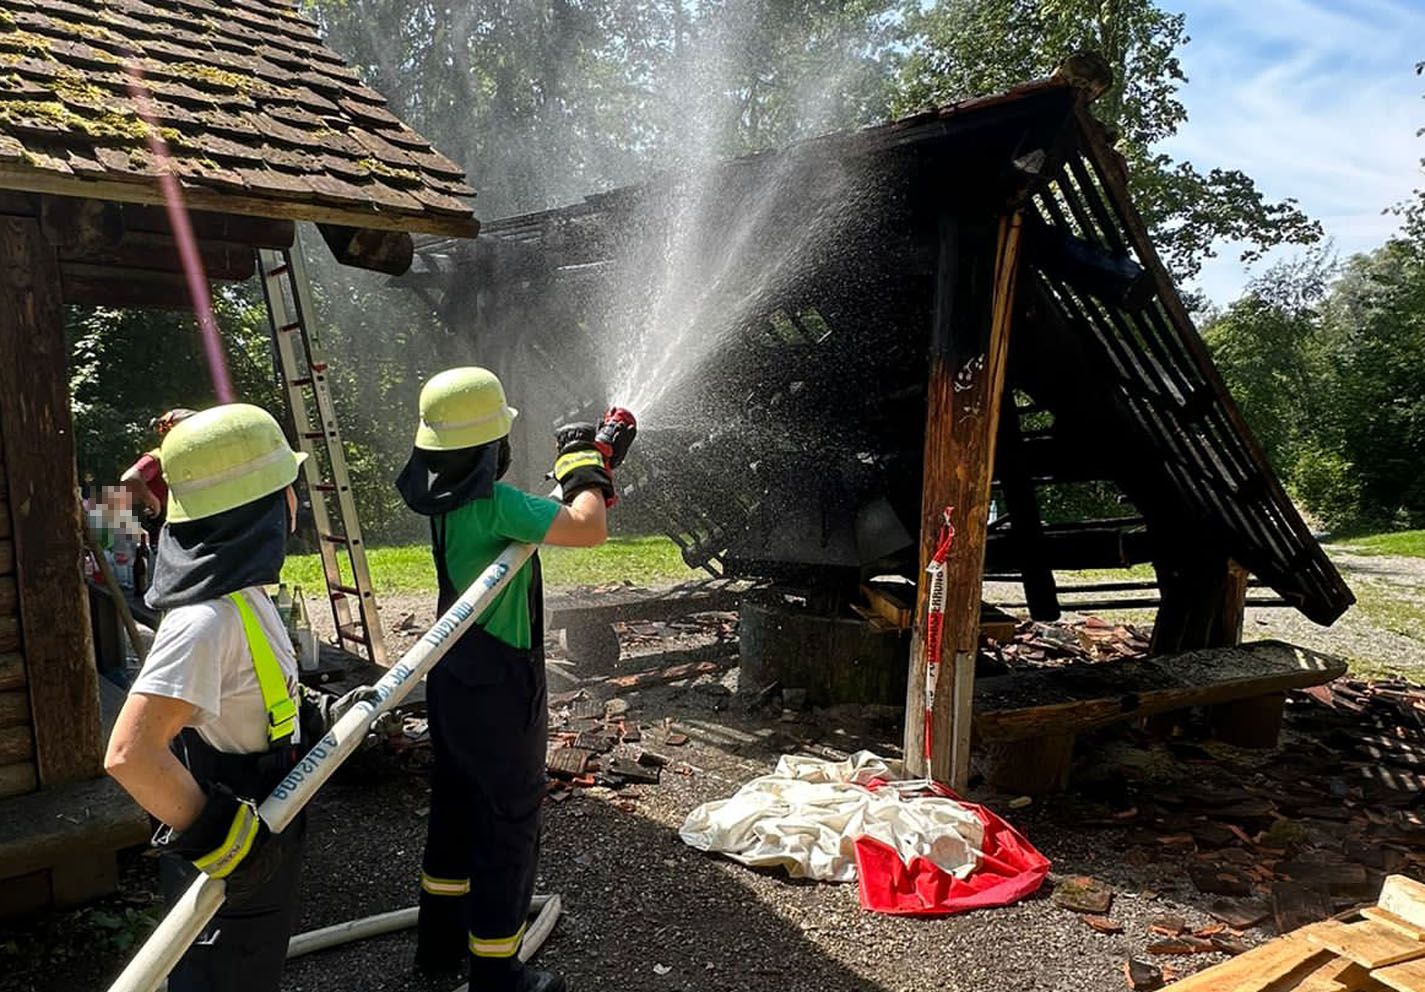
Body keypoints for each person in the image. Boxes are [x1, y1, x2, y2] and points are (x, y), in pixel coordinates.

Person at [104, 403, 374, 992]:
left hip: (262, 848)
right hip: (230, 862)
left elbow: (253, 699)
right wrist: (226, 842)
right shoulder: (204, 620)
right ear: (264, 508)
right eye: (288, 488)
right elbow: (130, 752)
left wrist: (318, 716)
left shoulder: (243, 596)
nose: (295, 502)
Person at [395, 367, 636, 992]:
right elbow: (588, 528)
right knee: (508, 819)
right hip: (503, 686)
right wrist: (586, 467)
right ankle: (497, 971)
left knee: (455, 808)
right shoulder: (499, 506)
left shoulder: (448, 506)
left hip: (455, 676)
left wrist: (582, 471)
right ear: (492, 449)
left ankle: (438, 947)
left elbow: (539, 515)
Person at [121, 408, 196, 543]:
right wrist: (152, 501)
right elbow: (130, 478)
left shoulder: (192, 459)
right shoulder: (158, 457)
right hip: (161, 531)